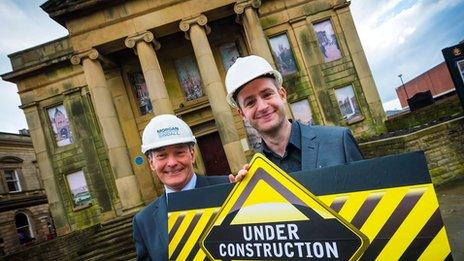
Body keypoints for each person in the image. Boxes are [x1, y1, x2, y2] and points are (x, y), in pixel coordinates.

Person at [225, 55, 363, 174]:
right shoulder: (255, 174)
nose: (262, 107)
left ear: (282, 95)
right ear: (241, 114)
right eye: (250, 103)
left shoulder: (339, 141)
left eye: (267, 94)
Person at [132, 114, 242, 260]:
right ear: (151, 163)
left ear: (192, 154)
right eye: (162, 156)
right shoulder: (143, 221)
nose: (171, 162)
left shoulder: (229, 188)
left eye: (179, 153)